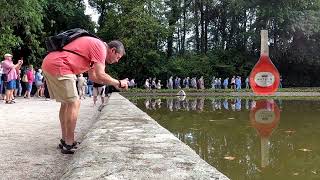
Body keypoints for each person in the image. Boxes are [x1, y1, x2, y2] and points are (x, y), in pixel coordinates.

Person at [41, 37, 128, 154]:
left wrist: (115, 84)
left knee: (67, 103)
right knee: (74, 102)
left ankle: (65, 140)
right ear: (112, 50)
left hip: (50, 62)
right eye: (118, 57)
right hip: (60, 65)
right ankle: (69, 143)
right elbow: (101, 74)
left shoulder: (96, 49)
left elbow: (94, 77)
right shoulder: (101, 48)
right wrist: (118, 82)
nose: (117, 61)